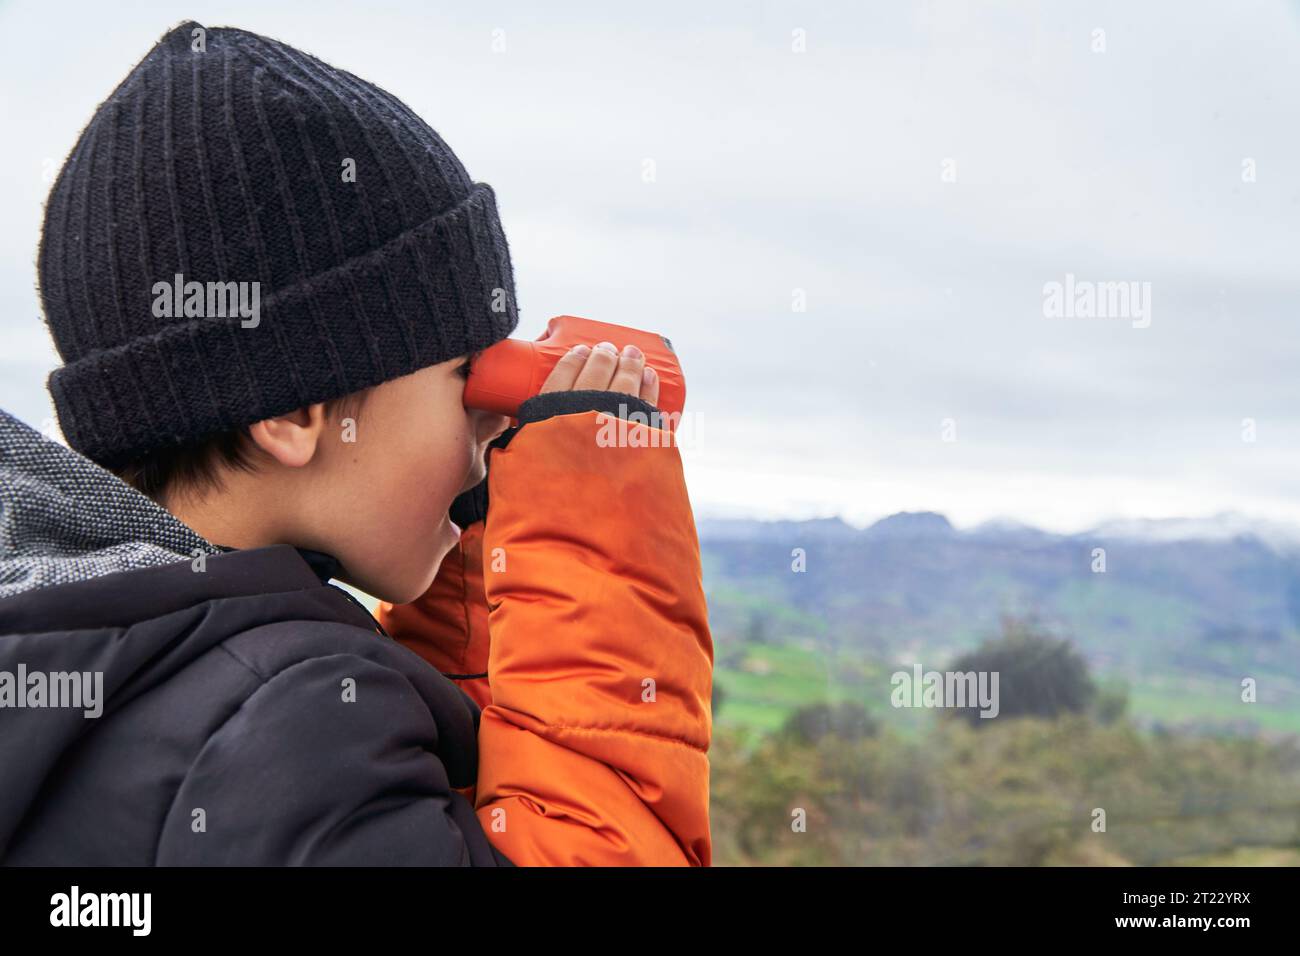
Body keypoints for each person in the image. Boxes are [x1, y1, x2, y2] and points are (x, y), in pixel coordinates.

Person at [0, 20, 712, 866]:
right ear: (294, 413)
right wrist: (595, 538)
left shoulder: (89, 655)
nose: (496, 426)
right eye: (468, 379)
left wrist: (477, 586)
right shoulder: (291, 719)